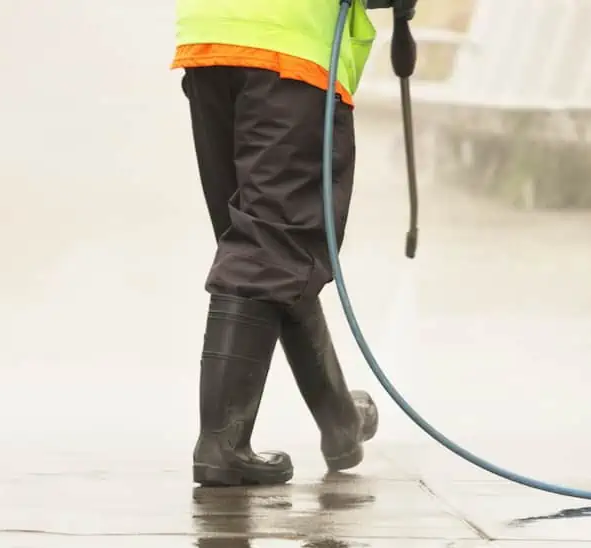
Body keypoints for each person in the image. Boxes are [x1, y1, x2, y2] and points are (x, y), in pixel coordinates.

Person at [172, 0, 416, 486]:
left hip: (211, 41)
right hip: (289, 52)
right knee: (270, 247)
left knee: (268, 247)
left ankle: (340, 419)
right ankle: (223, 444)